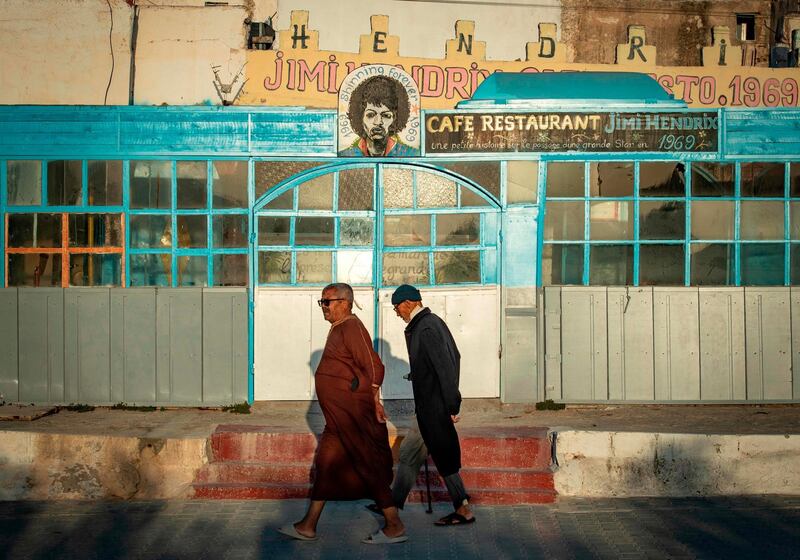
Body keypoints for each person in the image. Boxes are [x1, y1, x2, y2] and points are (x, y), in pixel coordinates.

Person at [278, 283, 408, 545]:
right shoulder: (339, 327)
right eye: (321, 302)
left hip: (352, 416)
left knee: (366, 463)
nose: (323, 307)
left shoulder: (351, 327)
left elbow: (374, 367)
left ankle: (394, 524)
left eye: (327, 301)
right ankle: (308, 525)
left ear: (345, 302)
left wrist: (373, 399)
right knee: (326, 465)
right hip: (337, 419)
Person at [376, 284, 476, 526]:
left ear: (408, 303)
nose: (396, 312)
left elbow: (446, 367)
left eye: (396, 307)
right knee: (411, 453)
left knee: (444, 455)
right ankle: (393, 503)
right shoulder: (428, 323)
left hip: (435, 406)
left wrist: (452, 406)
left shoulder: (426, 327)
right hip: (428, 406)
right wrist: (419, 374)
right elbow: (449, 359)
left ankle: (462, 508)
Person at [338, 75, 418, 157]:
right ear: (360, 118)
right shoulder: (345, 156)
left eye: (386, 116)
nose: (378, 122)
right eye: (370, 115)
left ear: (395, 119)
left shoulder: (411, 154)